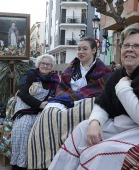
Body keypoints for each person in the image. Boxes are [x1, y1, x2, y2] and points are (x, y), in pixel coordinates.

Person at [48, 22, 139, 170]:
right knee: (82, 128)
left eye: (136, 46)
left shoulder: (111, 75)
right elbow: (103, 103)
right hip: (121, 125)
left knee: (103, 150)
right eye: (126, 45)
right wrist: (95, 122)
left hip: (135, 130)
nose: (130, 50)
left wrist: (123, 89)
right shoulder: (117, 75)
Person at [27, 36, 112, 169]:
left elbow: (101, 90)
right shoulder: (72, 67)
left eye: (85, 49)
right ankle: (45, 160)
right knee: (47, 115)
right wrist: (67, 98)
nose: (81, 52)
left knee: (80, 112)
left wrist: (75, 97)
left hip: (88, 100)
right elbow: (62, 86)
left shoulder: (104, 70)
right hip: (66, 99)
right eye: (78, 49)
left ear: (94, 50)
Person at [10, 54, 60, 170]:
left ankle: (39, 163)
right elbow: (22, 94)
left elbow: (57, 94)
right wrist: (39, 104)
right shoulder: (30, 75)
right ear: (38, 64)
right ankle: (20, 165)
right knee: (23, 127)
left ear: (51, 67)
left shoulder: (55, 79)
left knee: (44, 129)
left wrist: (49, 100)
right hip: (25, 108)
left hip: (43, 110)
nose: (45, 66)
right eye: (43, 63)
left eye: (48, 64)